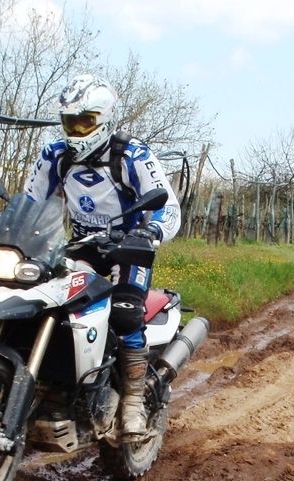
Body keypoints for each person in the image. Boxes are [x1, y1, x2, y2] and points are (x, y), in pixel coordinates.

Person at [24, 73, 181, 439]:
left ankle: (132, 404)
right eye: (69, 122)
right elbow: (32, 202)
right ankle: (56, 388)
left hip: (128, 247)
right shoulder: (55, 155)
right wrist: (8, 223)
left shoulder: (131, 155)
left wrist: (152, 230)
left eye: (85, 121)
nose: (76, 131)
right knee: (45, 305)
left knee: (126, 314)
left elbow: (169, 206)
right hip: (80, 247)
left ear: (104, 119)